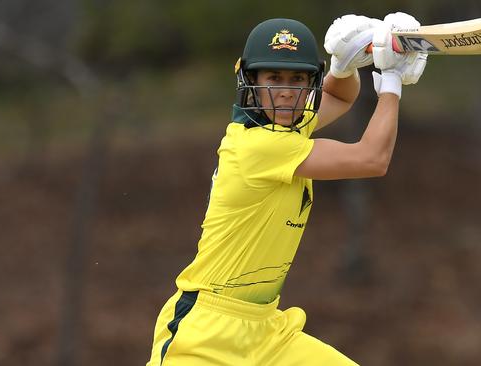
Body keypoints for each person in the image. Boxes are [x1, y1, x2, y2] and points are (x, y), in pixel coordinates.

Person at [147, 12, 427, 366]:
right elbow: (372, 159)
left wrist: (345, 64)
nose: (284, 91)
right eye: (274, 77)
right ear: (251, 81)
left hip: (267, 331)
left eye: (297, 79)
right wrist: (392, 79)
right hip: (206, 332)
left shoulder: (288, 130)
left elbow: (340, 99)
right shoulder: (259, 146)